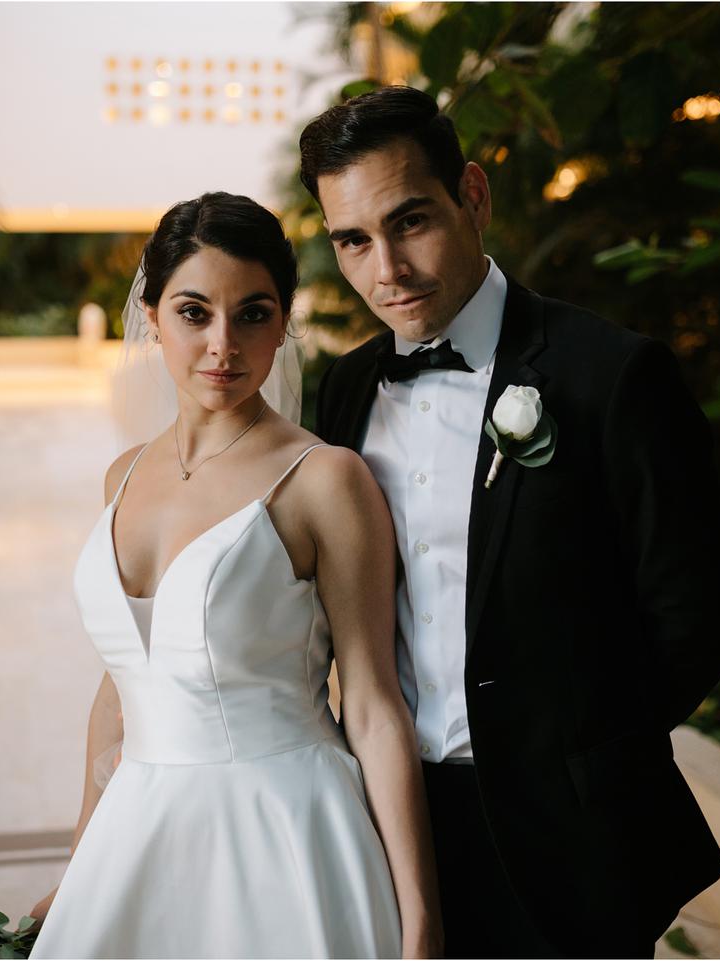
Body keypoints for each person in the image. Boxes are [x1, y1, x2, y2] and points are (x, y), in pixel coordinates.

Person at [301, 86, 720, 958]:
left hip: (569, 837)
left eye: (410, 220)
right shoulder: (347, 389)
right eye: (353, 240)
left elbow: (702, 616)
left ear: (473, 195)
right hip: (394, 823)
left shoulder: (611, 376)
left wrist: (585, 753)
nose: (384, 267)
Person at [29, 191, 442, 959]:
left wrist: (421, 919)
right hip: (138, 835)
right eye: (194, 312)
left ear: (284, 322)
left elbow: (377, 705)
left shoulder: (325, 480)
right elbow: (119, 691)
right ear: (150, 314)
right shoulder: (123, 473)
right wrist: (82, 859)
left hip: (284, 834)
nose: (223, 344)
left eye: (253, 313)